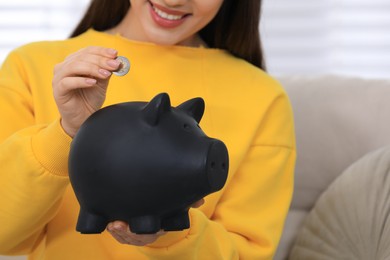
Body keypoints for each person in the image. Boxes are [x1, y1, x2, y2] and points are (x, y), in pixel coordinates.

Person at [0, 0, 296, 259]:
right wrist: (66, 131)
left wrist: (170, 234)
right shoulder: (33, 68)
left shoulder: (262, 97)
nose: (174, 0)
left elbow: (244, 256)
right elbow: (4, 236)